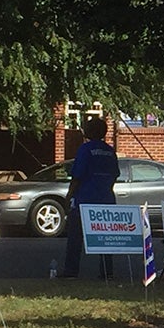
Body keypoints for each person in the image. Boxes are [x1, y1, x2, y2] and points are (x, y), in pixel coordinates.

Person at [59, 117, 119, 278]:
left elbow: (77, 176)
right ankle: (107, 273)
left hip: (84, 200)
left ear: (88, 131)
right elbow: (115, 175)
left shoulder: (85, 149)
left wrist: (69, 195)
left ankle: (71, 271)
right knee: (105, 238)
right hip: (106, 200)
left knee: (75, 237)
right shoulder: (109, 151)